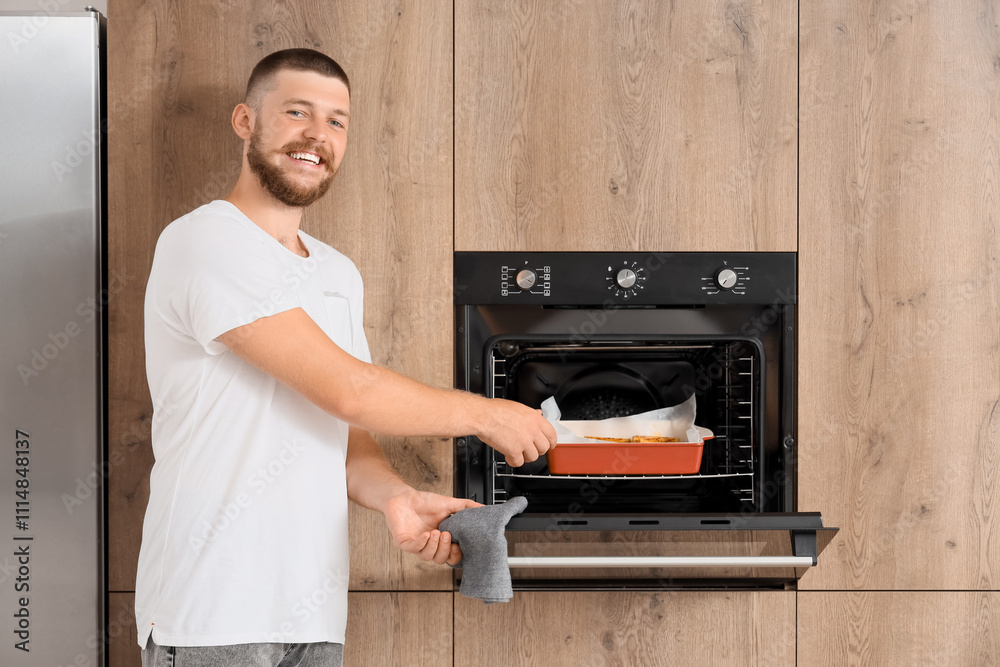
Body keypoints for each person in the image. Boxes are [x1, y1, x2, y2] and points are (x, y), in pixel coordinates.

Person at [136, 48, 556, 667]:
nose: (317, 135)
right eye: (297, 112)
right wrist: (488, 414)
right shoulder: (206, 239)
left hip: (313, 610)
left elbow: (345, 431)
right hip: (213, 612)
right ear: (245, 121)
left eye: (336, 121)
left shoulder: (336, 272)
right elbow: (350, 390)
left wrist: (395, 497)